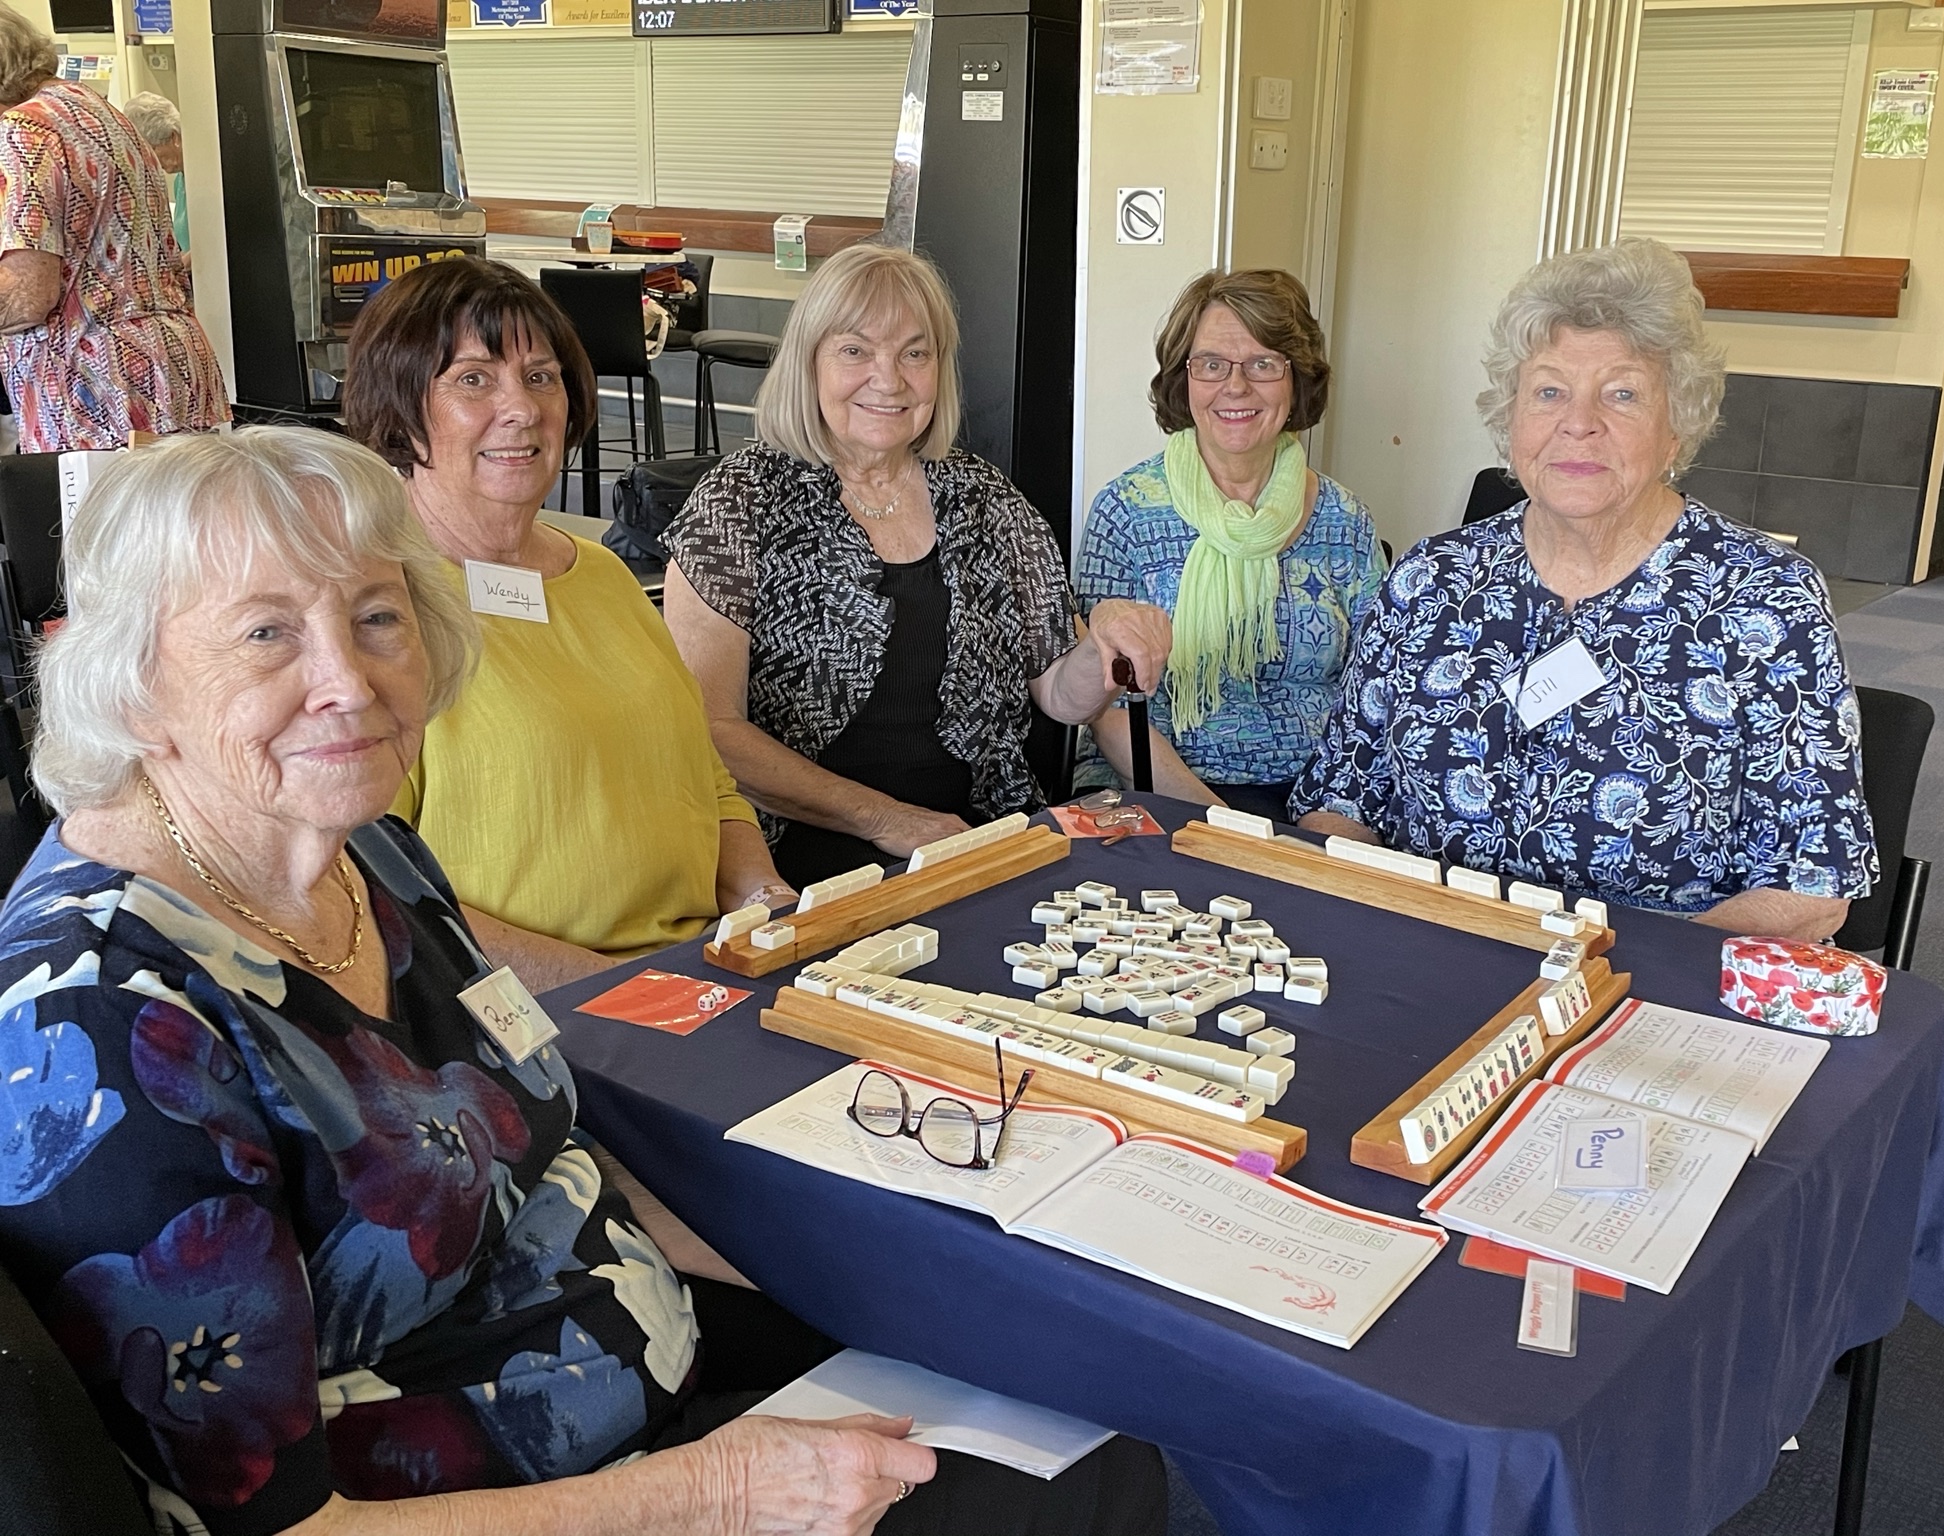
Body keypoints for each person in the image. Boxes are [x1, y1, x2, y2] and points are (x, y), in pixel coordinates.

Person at [0, 427, 1167, 1536]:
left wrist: (860, 1280)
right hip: (531, 1498)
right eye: (266, 634)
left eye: (374, 616)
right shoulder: (102, 1021)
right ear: (134, 683)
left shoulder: (370, 857)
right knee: (1077, 1494)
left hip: (644, 1374)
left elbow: (550, 1155)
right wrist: (714, 1494)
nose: (347, 679)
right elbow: (268, 1525)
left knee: (1086, 1392)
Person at [1290, 237, 1877, 941]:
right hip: (1436, 953)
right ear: (1510, 419)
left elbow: (1811, 885)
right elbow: (1341, 798)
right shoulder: (1431, 579)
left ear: (1677, 426)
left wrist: (1612, 975)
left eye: (1622, 394)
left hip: (1654, 979)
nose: (1579, 422)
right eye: (1549, 392)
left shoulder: (1765, 599)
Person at [662, 244, 1173, 891]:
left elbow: (1061, 695)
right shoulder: (740, 502)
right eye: (855, 350)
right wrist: (889, 821)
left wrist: (1102, 645)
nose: (890, 379)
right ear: (808, 362)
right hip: (793, 855)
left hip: (975, 838)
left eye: (914, 353)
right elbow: (709, 729)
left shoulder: (985, 498)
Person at [346, 257, 794, 990]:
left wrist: (765, 904)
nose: (521, 408)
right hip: (528, 1008)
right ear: (399, 408)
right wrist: (622, 993)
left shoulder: (605, 575)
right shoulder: (378, 611)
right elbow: (373, 890)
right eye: (473, 379)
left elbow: (706, 781)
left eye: (540, 376)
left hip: (697, 976)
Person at [1073, 269, 1385, 823]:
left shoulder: (1347, 521)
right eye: (1211, 364)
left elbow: (1374, 697)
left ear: (1297, 381)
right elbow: (1105, 709)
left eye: (1263, 363)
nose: (1235, 386)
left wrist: (1332, 819)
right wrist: (1226, 828)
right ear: (1183, 379)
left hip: (1315, 799)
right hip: (1157, 792)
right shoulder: (1126, 511)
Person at [0, 8, 225, 451]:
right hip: (172, 370)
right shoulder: (101, 113)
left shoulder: (23, 129)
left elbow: (27, 295)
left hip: (93, 389)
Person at [119, 90, 188, 257]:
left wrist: (184, 262)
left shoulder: (207, 178)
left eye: (153, 150)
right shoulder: (180, 181)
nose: (152, 162)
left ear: (174, 138)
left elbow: (218, 239)